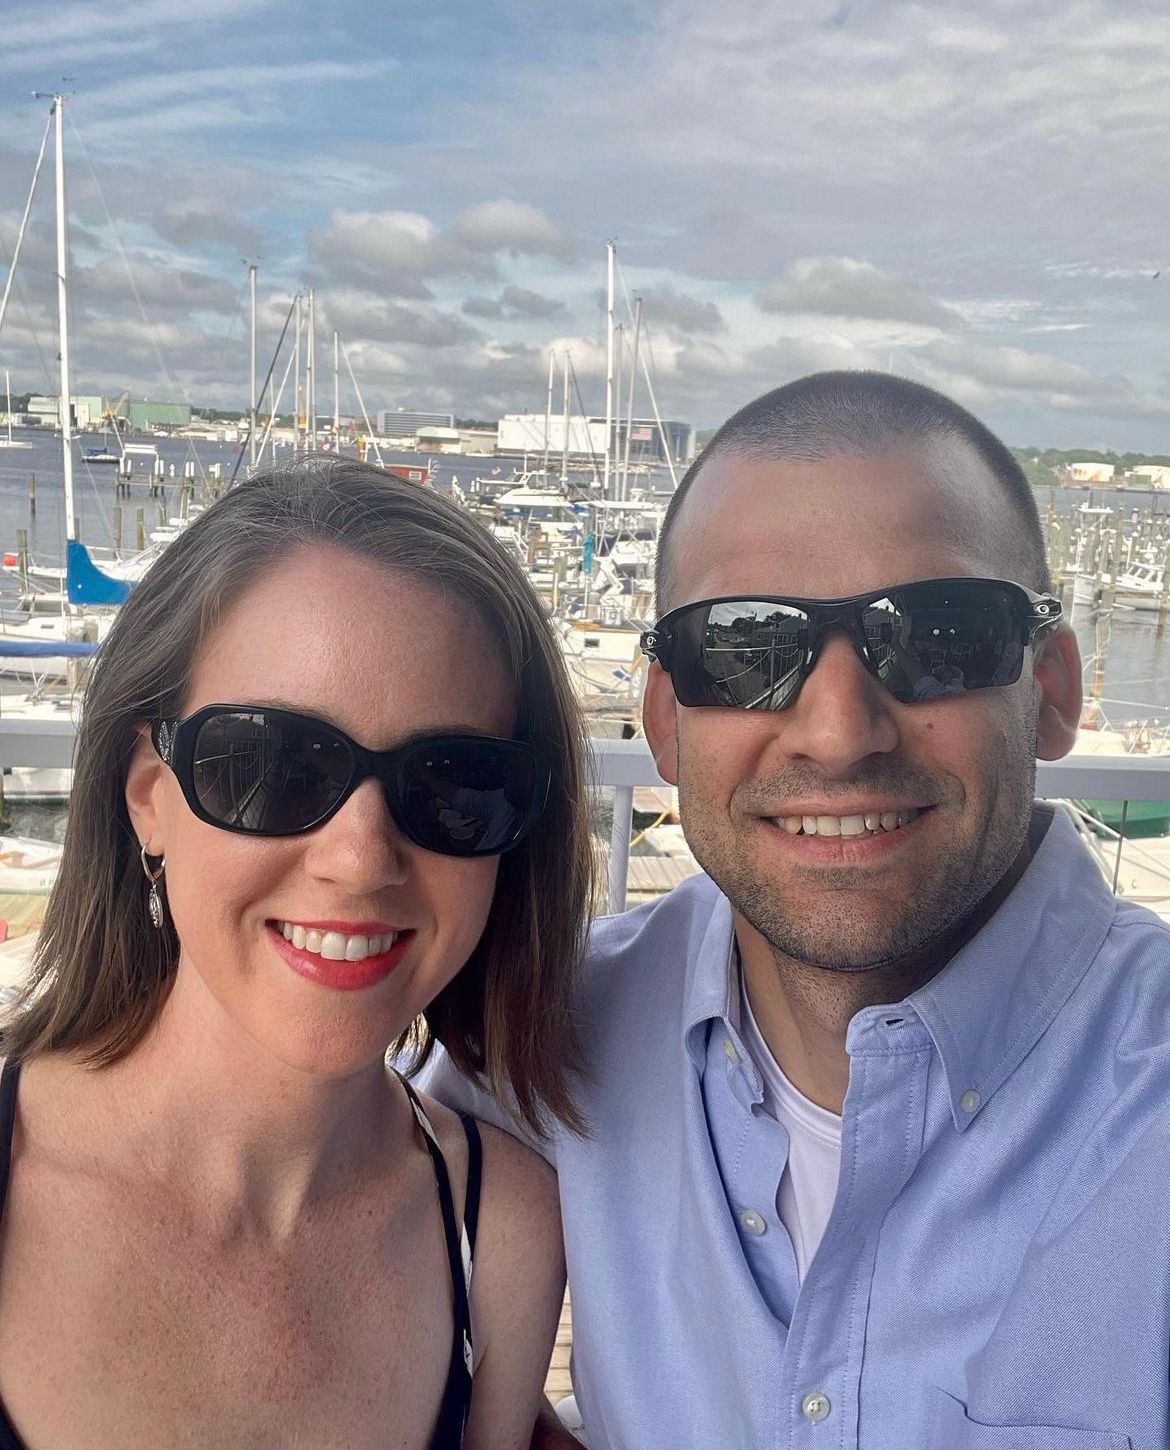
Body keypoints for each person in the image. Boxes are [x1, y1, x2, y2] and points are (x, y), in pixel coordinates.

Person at [423, 371, 1170, 1449]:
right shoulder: (549, 1034)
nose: (837, 729)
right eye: (745, 647)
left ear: (1051, 688)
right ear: (667, 725)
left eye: (937, 634)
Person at [0, 458, 593, 1449]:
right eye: (273, 765)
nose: (360, 858)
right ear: (150, 793)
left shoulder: (505, 1232)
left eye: (453, 781)